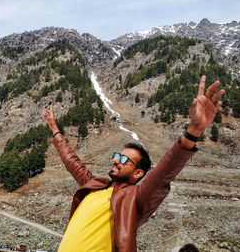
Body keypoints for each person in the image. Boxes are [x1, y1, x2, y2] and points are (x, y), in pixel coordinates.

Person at [42, 76, 225, 252]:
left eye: (123, 159)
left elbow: (162, 174)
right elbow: (72, 161)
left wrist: (195, 129)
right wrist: (54, 128)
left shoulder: (135, 199)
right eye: (117, 156)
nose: (116, 160)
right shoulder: (94, 185)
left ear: (138, 173)